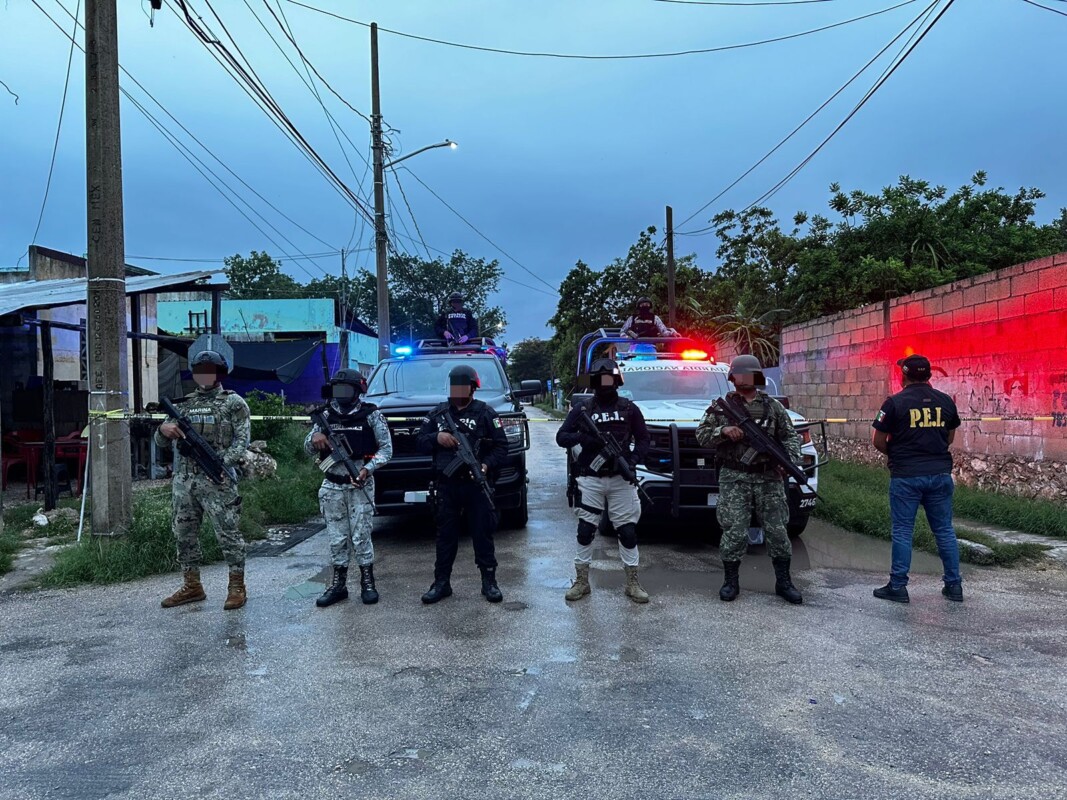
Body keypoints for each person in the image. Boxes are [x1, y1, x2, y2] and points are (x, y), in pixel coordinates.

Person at [695, 354, 804, 605]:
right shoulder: (721, 407)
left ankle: (784, 582)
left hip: (769, 477)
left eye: (749, 374)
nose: (744, 379)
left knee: (777, 531)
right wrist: (721, 431)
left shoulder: (773, 407)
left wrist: (789, 461)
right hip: (735, 477)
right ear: (732, 378)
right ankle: (730, 582)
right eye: (740, 374)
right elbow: (701, 435)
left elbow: (789, 436)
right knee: (734, 531)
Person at [155, 349, 251, 610]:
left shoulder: (234, 403)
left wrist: (221, 463)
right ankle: (192, 585)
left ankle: (236, 586)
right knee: (184, 534)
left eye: (211, 371)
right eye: (201, 371)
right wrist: (163, 430)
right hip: (185, 481)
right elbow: (160, 440)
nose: (206, 376)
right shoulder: (182, 404)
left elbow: (242, 443)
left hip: (217, 479)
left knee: (228, 534)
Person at [555, 358, 651, 604]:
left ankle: (632, 583)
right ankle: (582, 582)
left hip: (621, 479)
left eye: (608, 379)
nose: (604, 385)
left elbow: (643, 439)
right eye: (600, 380)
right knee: (586, 530)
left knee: (627, 532)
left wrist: (633, 460)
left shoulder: (629, 408)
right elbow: (562, 437)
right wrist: (585, 438)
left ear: (617, 381)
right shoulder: (583, 409)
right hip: (591, 479)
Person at [871, 354, 963, 603]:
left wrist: (900, 454)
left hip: (906, 477)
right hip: (940, 474)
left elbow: (878, 441)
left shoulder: (893, 403)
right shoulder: (946, 402)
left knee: (903, 531)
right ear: (929, 376)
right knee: (944, 530)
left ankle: (898, 587)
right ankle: (954, 586)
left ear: (904, 375)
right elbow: (949, 438)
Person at [416, 364, 509, 604]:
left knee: (482, 533)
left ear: (473, 387)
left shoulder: (486, 413)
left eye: (463, 385)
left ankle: (489, 581)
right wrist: (436, 437)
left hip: (476, 485)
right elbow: (419, 441)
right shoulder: (437, 414)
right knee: (445, 535)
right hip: (446, 484)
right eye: (455, 385)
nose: (458, 390)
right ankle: (441, 583)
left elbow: (502, 447)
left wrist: (486, 465)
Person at [306, 369, 393, 608]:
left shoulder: (371, 414)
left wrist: (368, 468)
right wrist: (315, 440)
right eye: (338, 389)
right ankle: (338, 585)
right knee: (337, 538)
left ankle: (367, 582)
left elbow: (386, 449)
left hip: (360, 483)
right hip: (332, 484)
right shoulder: (324, 415)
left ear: (357, 390)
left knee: (361, 535)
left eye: (347, 389)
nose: (341, 395)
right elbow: (308, 447)